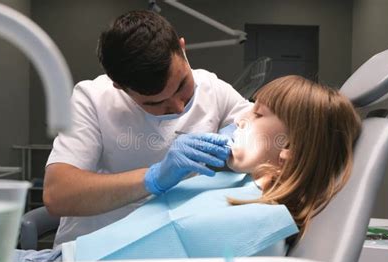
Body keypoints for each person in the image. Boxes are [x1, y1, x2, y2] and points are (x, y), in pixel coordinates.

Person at [13, 75, 362, 262]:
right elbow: (57, 193)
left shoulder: (258, 225)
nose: (240, 117)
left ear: (289, 147)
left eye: (257, 114)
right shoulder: (245, 184)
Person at [43, 10, 251, 246]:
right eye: (155, 103)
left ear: (182, 48)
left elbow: (260, 125)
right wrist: (152, 177)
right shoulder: (92, 98)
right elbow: (57, 194)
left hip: (176, 248)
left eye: (182, 85)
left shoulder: (213, 88)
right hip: (98, 249)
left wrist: (239, 133)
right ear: (120, 87)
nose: (178, 107)